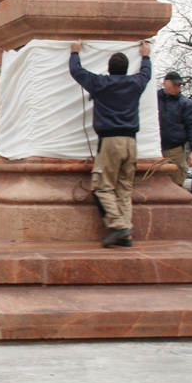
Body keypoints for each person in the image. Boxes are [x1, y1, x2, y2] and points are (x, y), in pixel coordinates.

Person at [69, 39, 152, 248]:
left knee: (102, 187)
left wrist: (75, 52)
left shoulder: (101, 83)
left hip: (110, 142)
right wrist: (146, 55)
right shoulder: (135, 83)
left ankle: (119, 226)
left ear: (109, 68)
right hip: (131, 143)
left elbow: (77, 72)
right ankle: (126, 233)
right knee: (124, 189)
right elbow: (146, 74)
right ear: (125, 69)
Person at [158, 70, 192, 186]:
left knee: (176, 185)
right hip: (154, 148)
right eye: (175, 84)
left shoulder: (186, 104)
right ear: (165, 82)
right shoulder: (153, 99)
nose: (177, 87)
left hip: (175, 150)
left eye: (179, 85)